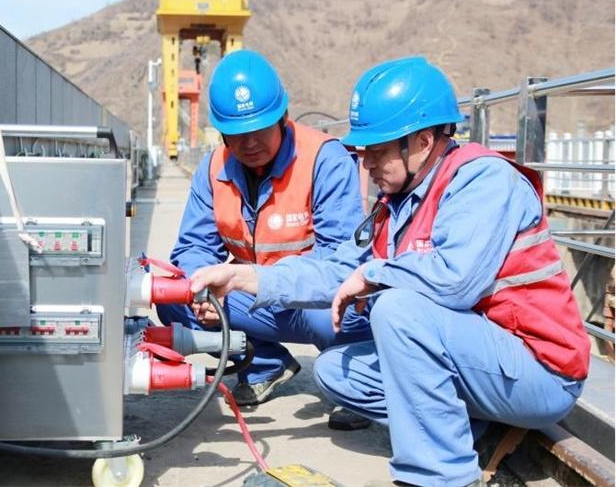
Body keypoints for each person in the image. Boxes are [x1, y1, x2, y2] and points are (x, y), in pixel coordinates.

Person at [189, 56, 590, 485]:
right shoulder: (396, 203)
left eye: (377, 152)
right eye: (364, 153)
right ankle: (473, 430)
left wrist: (375, 274)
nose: (366, 165)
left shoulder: (482, 180)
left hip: (537, 368)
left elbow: (455, 279)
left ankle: (439, 476)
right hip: (478, 362)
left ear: (422, 141)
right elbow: (338, 269)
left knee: (397, 309)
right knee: (337, 372)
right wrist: (247, 278)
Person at [155, 49, 369, 406]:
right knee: (175, 298)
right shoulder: (213, 168)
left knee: (338, 312)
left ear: (283, 117)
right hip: (250, 294)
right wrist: (205, 291)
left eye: (259, 129)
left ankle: (355, 385)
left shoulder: (323, 159)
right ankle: (264, 366)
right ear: (221, 133)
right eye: (238, 134)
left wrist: (260, 279)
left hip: (308, 297)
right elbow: (193, 247)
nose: (250, 143)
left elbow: (340, 259)